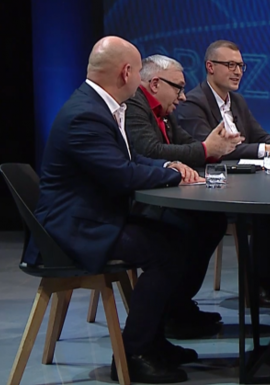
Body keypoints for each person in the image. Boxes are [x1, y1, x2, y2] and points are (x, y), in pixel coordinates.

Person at [32, 36, 205, 383]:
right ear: (126, 72)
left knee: (181, 234)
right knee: (164, 252)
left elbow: (128, 158)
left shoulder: (98, 106)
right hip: (74, 229)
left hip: (93, 216)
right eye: (139, 72)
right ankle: (134, 355)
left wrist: (168, 164)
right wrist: (172, 175)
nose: (140, 80)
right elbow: (121, 175)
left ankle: (153, 342)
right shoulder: (86, 115)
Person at [175, 40, 270, 307]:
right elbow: (213, 151)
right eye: (230, 65)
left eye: (240, 66)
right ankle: (261, 284)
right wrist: (266, 149)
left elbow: (259, 135)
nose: (237, 71)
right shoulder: (193, 103)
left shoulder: (236, 101)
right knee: (269, 212)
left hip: (244, 179)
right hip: (212, 185)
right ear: (210, 67)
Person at [125, 54, 243, 339]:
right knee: (186, 227)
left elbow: (186, 144)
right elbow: (150, 151)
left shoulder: (164, 110)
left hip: (160, 192)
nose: (182, 96)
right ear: (155, 84)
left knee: (211, 221)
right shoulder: (134, 106)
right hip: (138, 202)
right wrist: (205, 149)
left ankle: (179, 303)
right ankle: (170, 311)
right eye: (178, 87)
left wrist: (215, 149)